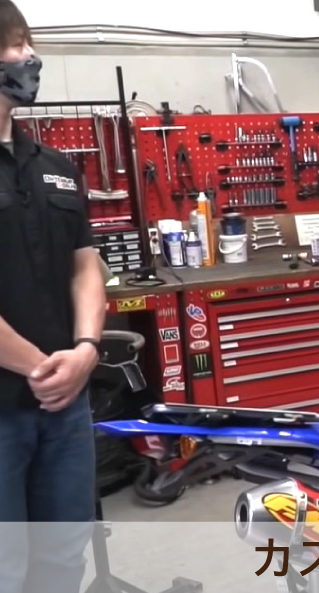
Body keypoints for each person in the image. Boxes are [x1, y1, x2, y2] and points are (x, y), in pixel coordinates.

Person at [0, 2, 108, 592]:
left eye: (27, 42)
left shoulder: (56, 166)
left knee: (63, 562)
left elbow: (85, 264)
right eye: (13, 44)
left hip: (64, 408)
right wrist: (42, 368)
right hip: (10, 405)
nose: (29, 56)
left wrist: (86, 350)